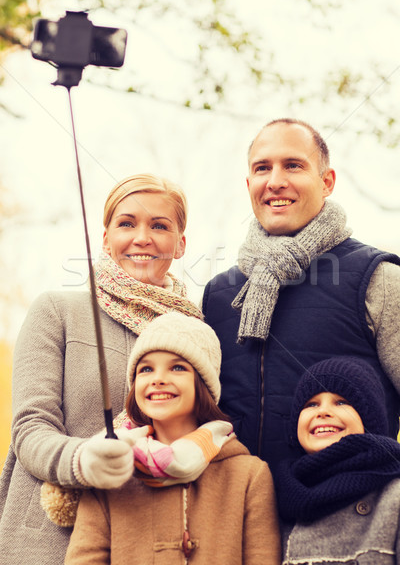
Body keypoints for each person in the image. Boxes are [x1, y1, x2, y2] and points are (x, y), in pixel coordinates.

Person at [0, 174, 203, 565]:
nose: (142, 237)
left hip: (147, 541)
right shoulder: (57, 312)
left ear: (179, 244)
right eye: (127, 224)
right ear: (106, 239)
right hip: (49, 540)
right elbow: (29, 427)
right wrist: (81, 459)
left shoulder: (198, 335)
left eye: (159, 225)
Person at [202, 118, 400, 474]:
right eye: (263, 168)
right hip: (239, 517)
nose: (276, 181)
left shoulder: (378, 277)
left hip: (349, 513)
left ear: (327, 183)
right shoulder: (219, 295)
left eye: (293, 165)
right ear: (249, 184)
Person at [65, 312, 281, 564]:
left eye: (177, 367)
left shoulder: (249, 476)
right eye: (146, 369)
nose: (158, 379)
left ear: (203, 384)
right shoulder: (110, 468)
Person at [275, 356, 400, 564]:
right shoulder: (278, 498)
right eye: (311, 404)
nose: (323, 411)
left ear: (370, 420)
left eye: (341, 402)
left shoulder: (393, 496)